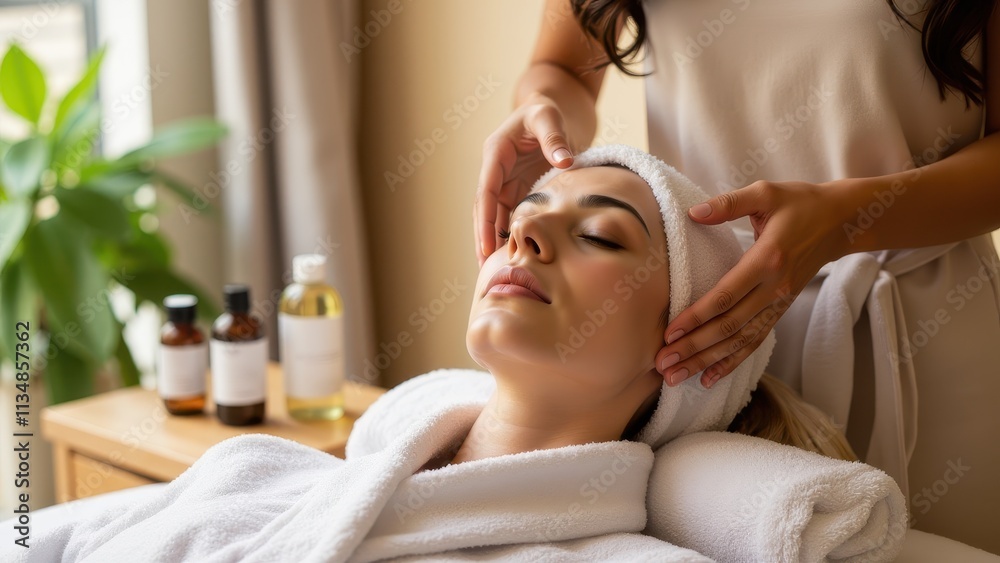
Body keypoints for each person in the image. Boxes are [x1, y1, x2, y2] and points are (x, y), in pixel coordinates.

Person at [9, 148, 881, 563]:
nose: (524, 229)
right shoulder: (262, 472)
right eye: (527, 213)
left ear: (690, 346)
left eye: (599, 237)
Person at [474, 0, 1000, 552]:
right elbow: (562, 70)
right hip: (701, 357)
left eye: (600, 234)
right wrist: (545, 110)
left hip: (926, 336)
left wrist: (849, 219)